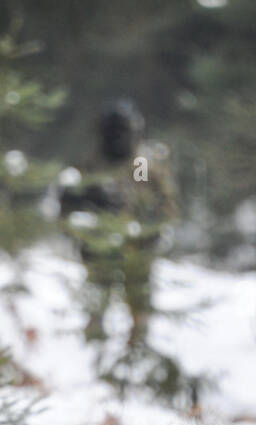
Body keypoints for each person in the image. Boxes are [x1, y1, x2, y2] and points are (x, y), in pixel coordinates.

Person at [59, 98, 177, 349]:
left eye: (122, 131)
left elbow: (160, 202)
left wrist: (149, 229)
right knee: (95, 303)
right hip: (99, 248)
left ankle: (139, 349)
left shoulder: (141, 164)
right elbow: (67, 209)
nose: (117, 138)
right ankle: (93, 351)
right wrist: (88, 210)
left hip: (136, 248)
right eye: (113, 131)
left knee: (139, 304)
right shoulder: (88, 165)